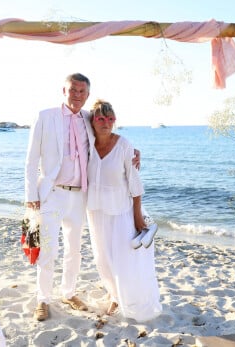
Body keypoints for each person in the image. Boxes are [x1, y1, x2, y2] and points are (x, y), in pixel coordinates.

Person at [25, 74, 140, 322]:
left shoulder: (88, 118)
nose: (77, 95)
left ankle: (68, 292)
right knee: (49, 248)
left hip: (80, 197)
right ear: (63, 90)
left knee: (74, 249)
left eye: (82, 91)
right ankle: (43, 299)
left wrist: (133, 151)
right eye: (73, 90)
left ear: (87, 95)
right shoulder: (46, 116)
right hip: (52, 194)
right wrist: (30, 195)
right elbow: (32, 158)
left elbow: (106, 136)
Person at [86, 99, 162, 322]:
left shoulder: (124, 145)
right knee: (103, 257)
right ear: (92, 121)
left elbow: (135, 183)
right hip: (96, 211)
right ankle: (113, 294)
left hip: (121, 211)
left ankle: (125, 297)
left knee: (123, 258)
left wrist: (137, 215)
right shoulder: (87, 144)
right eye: (100, 118)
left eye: (110, 119)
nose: (106, 123)